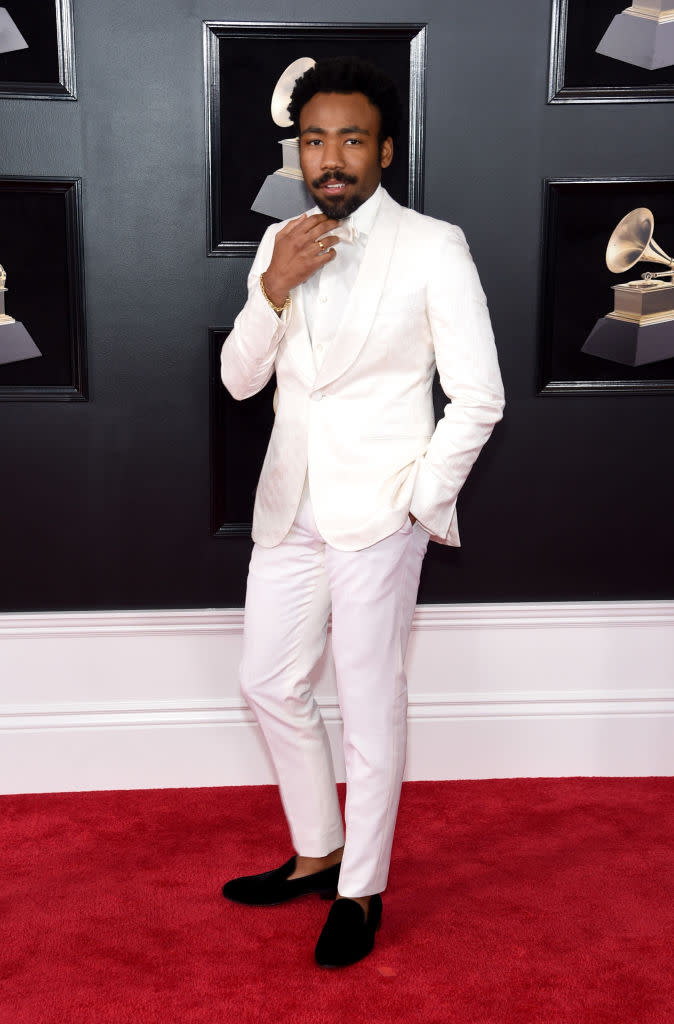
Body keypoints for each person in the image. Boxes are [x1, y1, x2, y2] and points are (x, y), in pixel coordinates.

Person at [220, 56, 504, 968]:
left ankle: (362, 888)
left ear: (385, 149)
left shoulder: (434, 245)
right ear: (296, 152)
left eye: (350, 139)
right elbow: (239, 381)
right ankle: (318, 850)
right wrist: (274, 290)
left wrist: (418, 504)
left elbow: (479, 398)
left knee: (371, 703)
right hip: (291, 501)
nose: (330, 157)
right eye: (314, 140)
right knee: (269, 679)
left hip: (381, 509)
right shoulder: (279, 244)